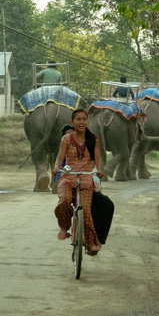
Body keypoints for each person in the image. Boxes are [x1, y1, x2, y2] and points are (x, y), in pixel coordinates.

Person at [53, 108, 104, 254]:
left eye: (84, 119)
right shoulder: (66, 139)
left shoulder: (94, 139)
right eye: (78, 119)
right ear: (72, 122)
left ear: (87, 121)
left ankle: (91, 243)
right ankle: (64, 226)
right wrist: (56, 168)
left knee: (86, 210)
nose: (81, 122)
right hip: (69, 176)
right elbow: (60, 159)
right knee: (64, 200)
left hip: (86, 178)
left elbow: (98, 159)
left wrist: (99, 170)